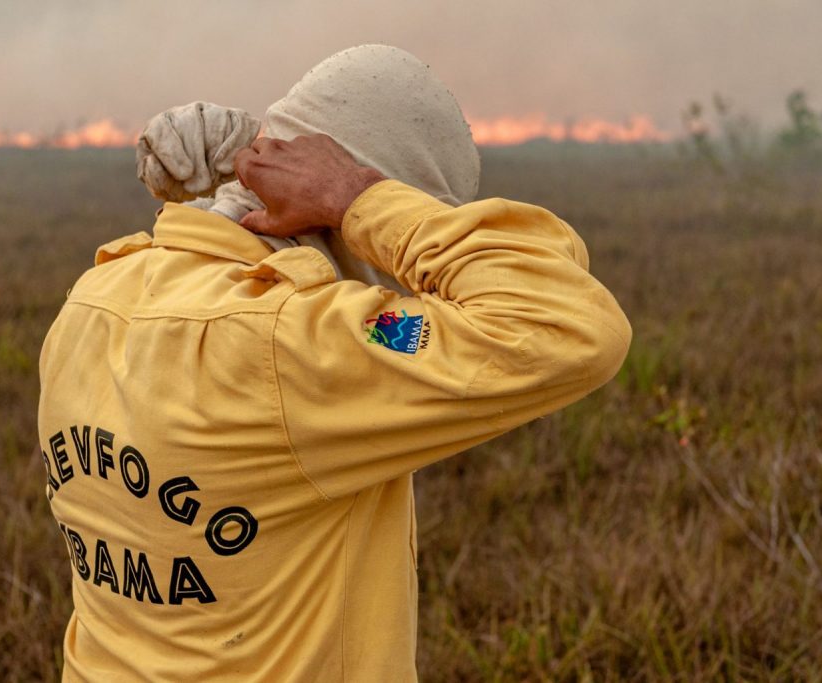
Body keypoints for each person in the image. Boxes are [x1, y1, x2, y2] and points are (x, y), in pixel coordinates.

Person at [37, 45, 631, 682]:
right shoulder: (298, 345)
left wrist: (241, 167)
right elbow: (566, 318)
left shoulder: (95, 293)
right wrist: (363, 199)